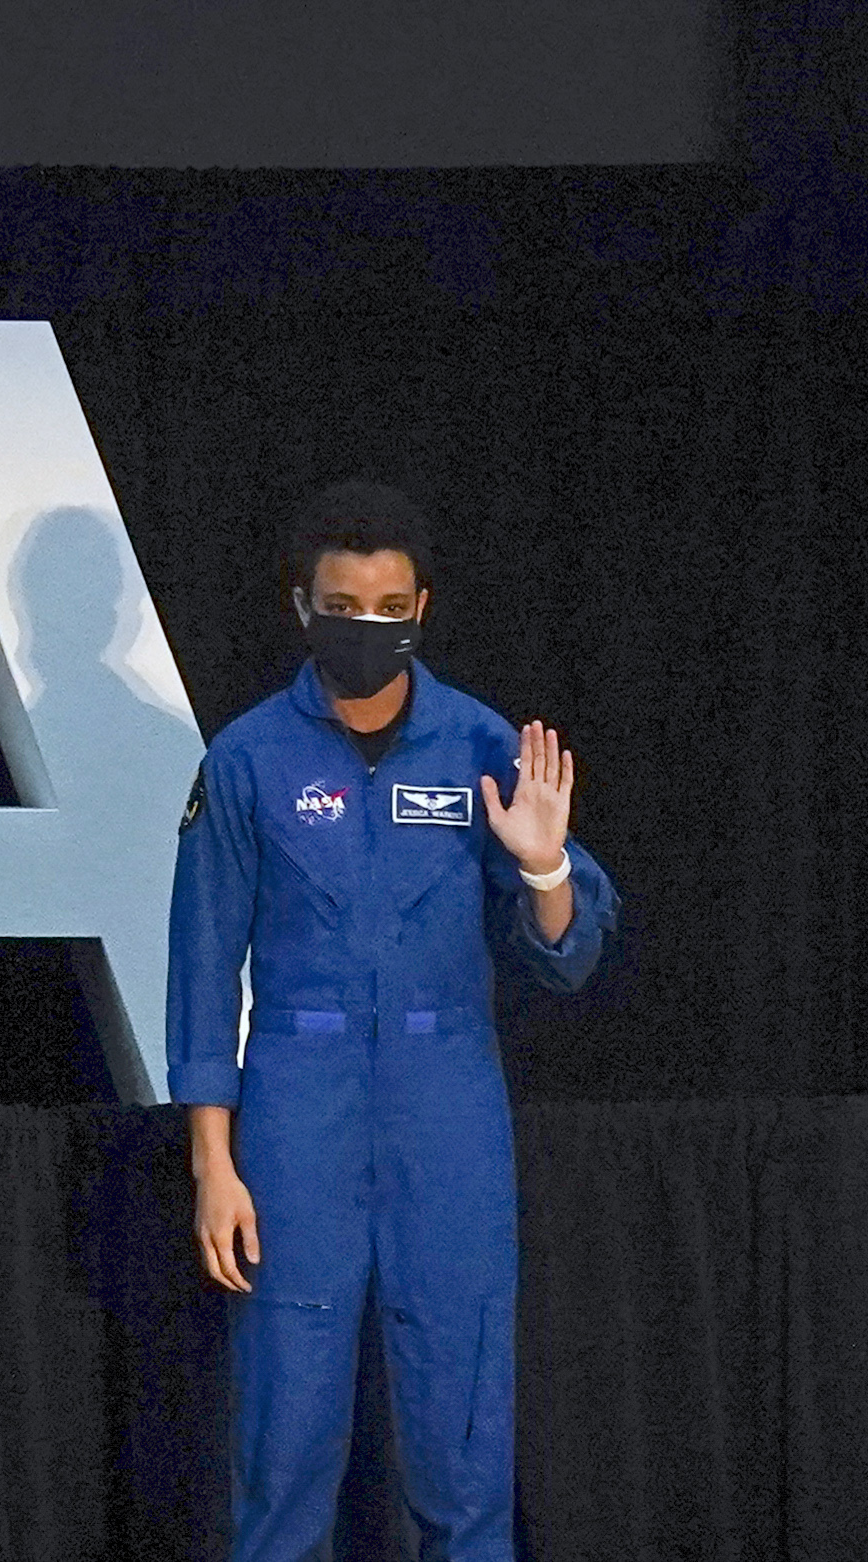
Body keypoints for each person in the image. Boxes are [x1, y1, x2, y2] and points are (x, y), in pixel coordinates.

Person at [167, 480, 612, 1562]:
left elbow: (567, 957)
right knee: (282, 1437)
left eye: (388, 608)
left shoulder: (479, 746)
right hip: (293, 1110)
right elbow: (196, 973)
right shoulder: (244, 760)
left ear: (420, 608)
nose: (366, 628)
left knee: (461, 1433)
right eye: (342, 606)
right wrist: (212, 1169)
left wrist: (544, 862)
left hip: (445, 1105)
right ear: (300, 605)